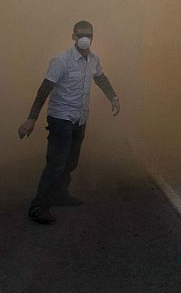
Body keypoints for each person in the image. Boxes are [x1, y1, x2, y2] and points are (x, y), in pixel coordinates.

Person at [18, 20, 120, 225]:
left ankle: (60, 194)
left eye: (89, 35)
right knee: (56, 163)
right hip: (61, 118)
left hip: (80, 117)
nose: (85, 38)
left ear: (93, 38)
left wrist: (113, 97)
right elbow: (44, 89)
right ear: (73, 36)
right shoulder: (61, 60)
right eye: (81, 34)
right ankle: (38, 206)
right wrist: (31, 118)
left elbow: (100, 79)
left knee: (71, 161)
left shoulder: (93, 59)